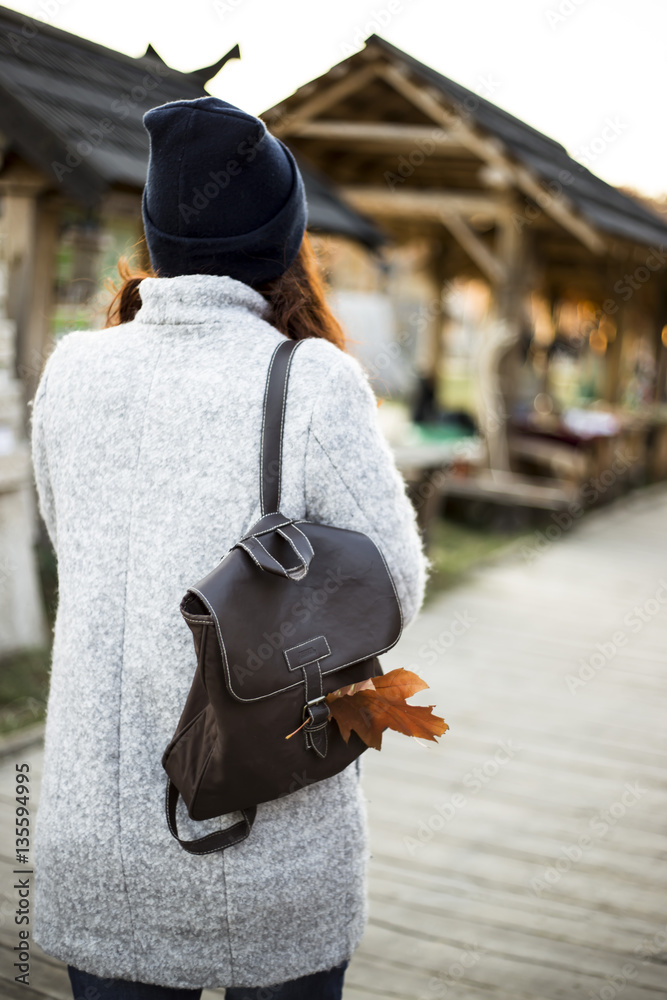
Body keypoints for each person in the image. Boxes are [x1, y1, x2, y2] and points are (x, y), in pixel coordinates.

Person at [30, 97, 428, 1000]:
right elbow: (390, 590)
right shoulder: (314, 379)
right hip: (269, 828)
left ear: (157, 232)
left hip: (102, 834)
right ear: (282, 235)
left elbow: (73, 545)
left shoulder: (75, 369)